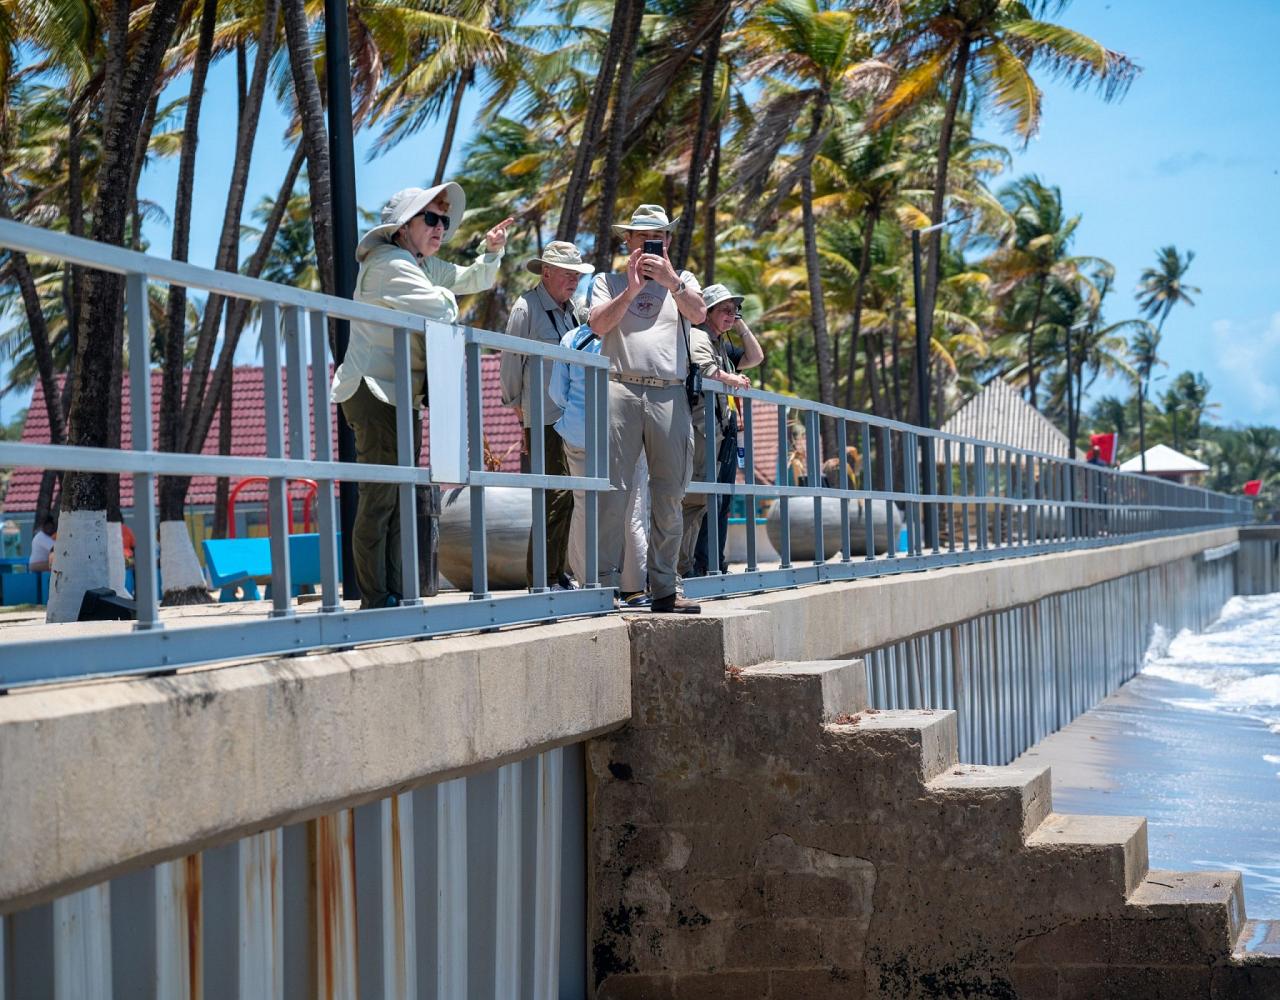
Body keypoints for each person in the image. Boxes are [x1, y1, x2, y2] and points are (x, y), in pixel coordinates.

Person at [332, 182, 513, 608]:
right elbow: (443, 308)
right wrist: (446, 294)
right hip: (374, 391)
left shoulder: (415, 264)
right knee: (382, 496)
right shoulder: (388, 263)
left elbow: (474, 280)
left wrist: (492, 251)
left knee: (401, 494)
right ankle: (376, 595)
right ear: (403, 226)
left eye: (444, 221)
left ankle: (395, 591)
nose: (440, 228)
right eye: (430, 219)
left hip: (398, 395)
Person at [589, 204, 706, 614]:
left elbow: (700, 314)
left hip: (669, 392)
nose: (649, 243)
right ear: (628, 241)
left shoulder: (684, 280)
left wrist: (671, 281)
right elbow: (598, 326)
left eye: (657, 236)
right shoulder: (607, 280)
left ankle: (665, 589)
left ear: (669, 242)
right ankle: (601, 589)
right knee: (612, 493)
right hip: (619, 387)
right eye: (641, 236)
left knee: (670, 493)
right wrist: (633, 288)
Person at [500, 242, 594, 590]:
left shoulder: (572, 311)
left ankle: (557, 572)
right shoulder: (525, 308)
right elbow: (511, 362)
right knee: (552, 496)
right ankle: (541, 577)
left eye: (576, 274)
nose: (573, 280)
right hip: (542, 417)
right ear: (546, 273)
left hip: (570, 417)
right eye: (567, 273)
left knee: (569, 496)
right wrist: (517, 408)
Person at [548, 321, 650, 601]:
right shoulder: (634, 334)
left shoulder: (573, 337)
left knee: (584, 507)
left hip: (581, 432)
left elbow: (557, 393)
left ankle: (590, 583)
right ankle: (633, 587)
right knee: (632, 509)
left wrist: (579, 409)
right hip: (628, 432)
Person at [681, 284, 763, 577]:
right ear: (708, 311)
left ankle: (712, 562)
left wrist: (738, 324)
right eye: (725, 310)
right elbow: (706, 371)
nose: (731, 315)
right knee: (698, 500)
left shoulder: (721, 344)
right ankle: (694, 565)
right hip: (704, 432)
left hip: (723, 432)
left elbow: (755, 357)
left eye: (735, 310)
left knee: (721, 501)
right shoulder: (698, 336)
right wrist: (733, 379)